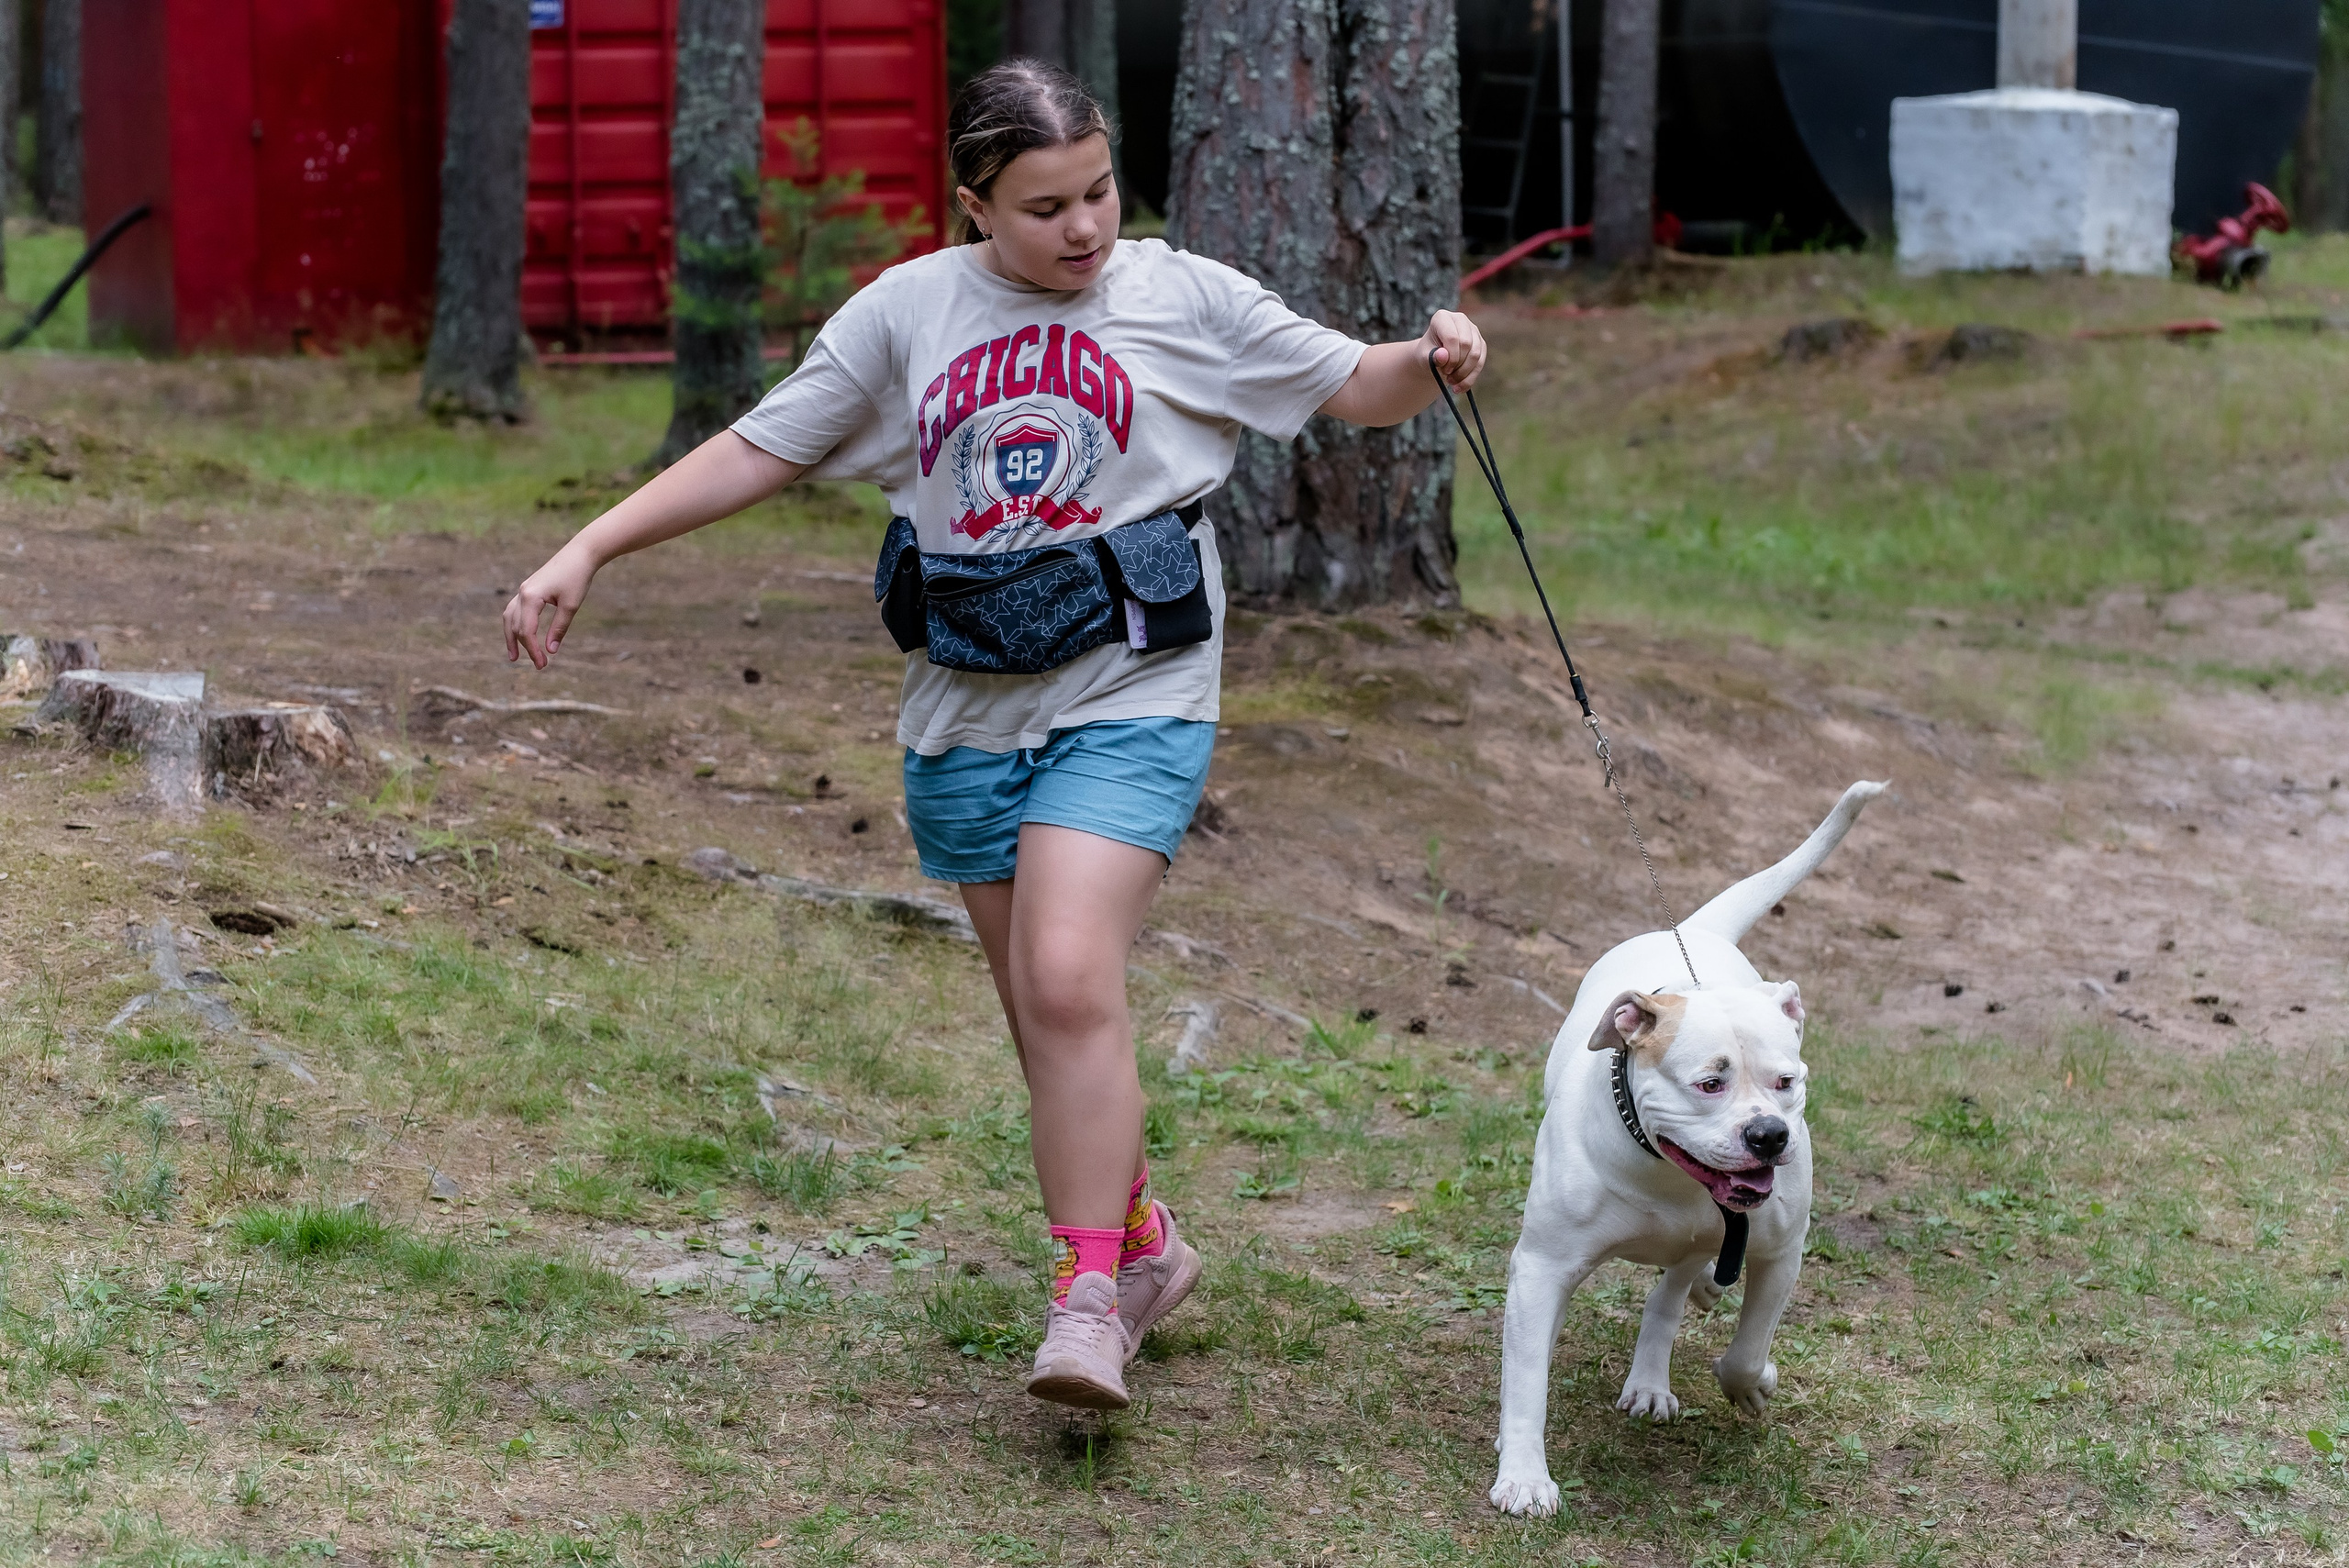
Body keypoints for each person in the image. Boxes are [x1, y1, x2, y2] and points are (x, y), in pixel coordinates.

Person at [501, 59, 1486, 1411]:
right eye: (1043, 207)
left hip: (1133, 685)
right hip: (965, 704)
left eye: (1098, 192)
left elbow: (1353, 384)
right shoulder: (909, 312)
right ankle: (1142, 1245)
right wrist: (590, 546)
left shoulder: (1180, 294)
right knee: (1044, 1016)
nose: (1083, 228)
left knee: (1072, 975)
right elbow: (762, 446)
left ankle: (1085, 1300)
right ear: (972, 204)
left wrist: (1433, 357)